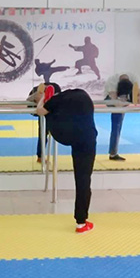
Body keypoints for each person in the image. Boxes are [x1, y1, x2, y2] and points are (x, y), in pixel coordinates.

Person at [36, 86, 98, 233]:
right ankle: (81, 222)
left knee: (49, 116)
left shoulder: (56, 100)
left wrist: (43, 100)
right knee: (83, 179)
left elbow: (39, 111)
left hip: (66, 135)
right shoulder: (83, 95)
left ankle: (81, 222)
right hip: (87, 138)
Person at [104, 73, 140, 161]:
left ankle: (113, 153)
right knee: (116, 123)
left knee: (118, 125)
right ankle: (113, 153)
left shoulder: (134, 79)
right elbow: (114, 100)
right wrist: (119, 104)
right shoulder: (112, 82)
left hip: (126, 95)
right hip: (110, 97)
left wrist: (138, 97)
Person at [27, 82, 62, 163]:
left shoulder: (55, 91)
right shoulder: (36, 92)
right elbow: (29, 102)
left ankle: (40, 156)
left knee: (44, 133)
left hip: (49, 109)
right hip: (42, 109)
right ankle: (40, 156)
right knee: (43, 133)